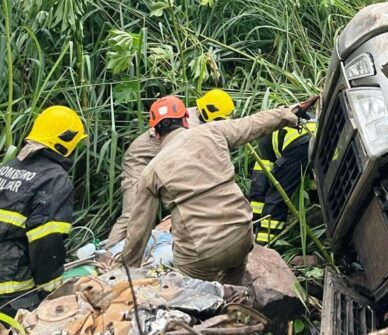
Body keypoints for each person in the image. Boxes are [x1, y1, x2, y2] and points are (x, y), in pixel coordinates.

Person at [121, 95, 318, 283]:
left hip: (200, 254)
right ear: (186, 119)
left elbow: (138, 231)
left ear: (155, 133)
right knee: (233, 287)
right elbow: (254, 123)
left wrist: (125, 274)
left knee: (190, 298)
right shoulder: (213, 131)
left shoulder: (151, 172)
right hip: (241, 236)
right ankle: (238, 306)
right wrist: (289, 111)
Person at [105, 90, 232, 247]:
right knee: (132, 214)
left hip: (162, 161)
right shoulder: (188, 127)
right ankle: (108, 254)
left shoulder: (193, 118)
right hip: (141, 162)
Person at [0, 106, 87, 316]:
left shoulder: (9, 166)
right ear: (66, 141)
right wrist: (51, 292)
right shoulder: (54, 179)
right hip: (12, 286)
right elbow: (46, 243)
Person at [250, 118, 316, 245]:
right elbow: (259, 188)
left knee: (279, 195)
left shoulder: (265, 144)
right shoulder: (271, 135)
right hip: (312, 138)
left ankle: (265, 243)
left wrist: (254, 223)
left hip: (301, 145)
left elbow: (263, 188)